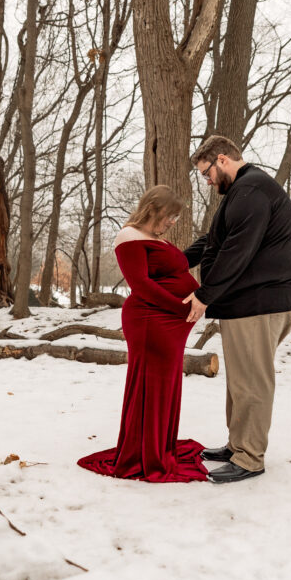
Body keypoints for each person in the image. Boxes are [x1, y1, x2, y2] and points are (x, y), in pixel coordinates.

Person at [182, 135, 291, 483]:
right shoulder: (242, 193)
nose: (206, 181)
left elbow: (237, 251)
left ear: (222, 159)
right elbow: (214, 241)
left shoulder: (252, 192)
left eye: (206, 173)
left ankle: (250, 457)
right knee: (240, 381)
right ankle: (238, 445)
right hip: (244, 305)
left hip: (258, 304)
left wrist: (204, 295)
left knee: (252, 383)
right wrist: (175, 261)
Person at [77, 185, 208, 482]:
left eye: (176, 216)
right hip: (151, 321)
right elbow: (141, 285)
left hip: (169, 323)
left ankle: (159, 446)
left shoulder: (155, 239)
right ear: (154, 209)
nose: (173, 221)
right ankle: (145, 454)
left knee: (166, 386)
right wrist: (182, 308)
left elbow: (179, 268)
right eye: (170, 215)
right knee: (152, 385)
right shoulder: (129, 237)